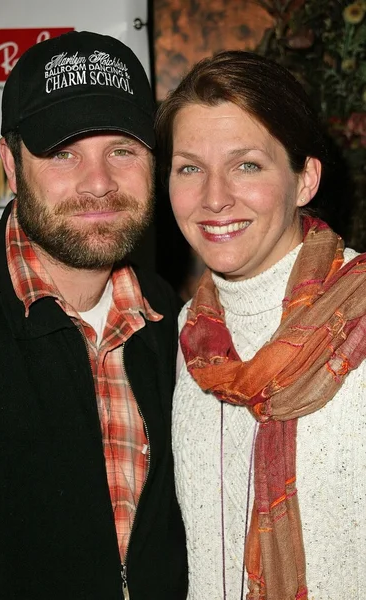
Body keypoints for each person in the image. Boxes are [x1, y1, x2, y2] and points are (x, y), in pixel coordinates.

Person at [0, 31, 188, 599]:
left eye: (122, 150)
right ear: (10, 167)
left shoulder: (177, 322)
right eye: (63, 152)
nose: (99, 183)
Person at [155, 50, 366, 600]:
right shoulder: (187, 335)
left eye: (247, 164)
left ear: (305, 180)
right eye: (189, 168)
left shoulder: (361, 315)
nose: (215, 197)